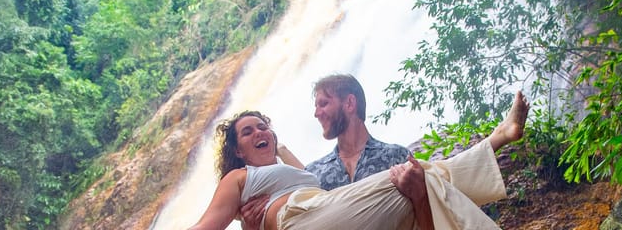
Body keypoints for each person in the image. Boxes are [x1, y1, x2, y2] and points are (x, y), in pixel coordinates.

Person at [187, 91, 531, 230]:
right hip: (300, 221)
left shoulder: (304, 175)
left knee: (421, 178)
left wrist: (277, 145)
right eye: (247, 132)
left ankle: (500, 136)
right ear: (236, 151)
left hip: (324, 211)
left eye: (263, 127)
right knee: (413, 174)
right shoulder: (238, 179)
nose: (259, 132)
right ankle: (499, 137)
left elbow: (304, 178)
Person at [239, 74, 430, 229]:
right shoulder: (314, 173)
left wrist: (420, 196)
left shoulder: (396, 157)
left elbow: (430, 223)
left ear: (349, 103)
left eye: (323, 104)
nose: (316, 113)